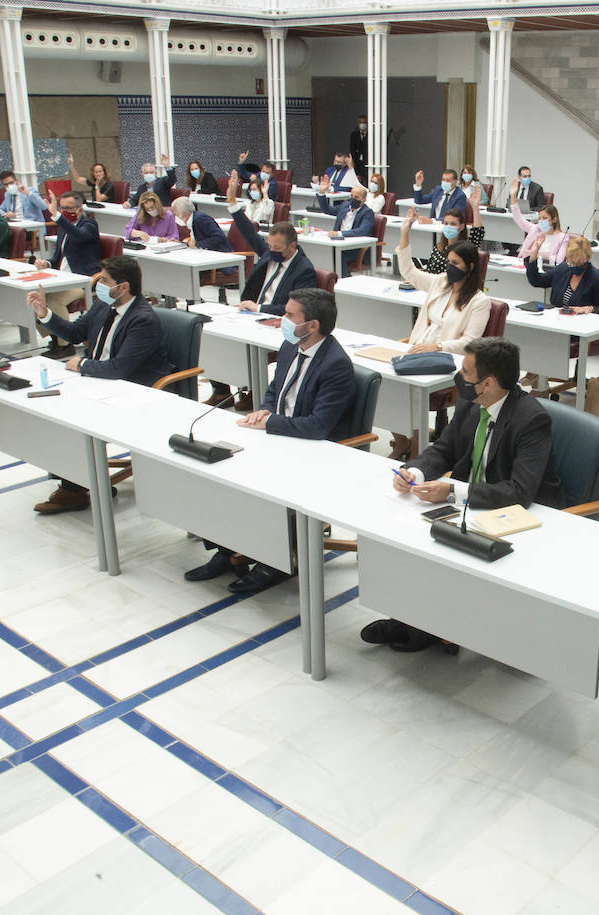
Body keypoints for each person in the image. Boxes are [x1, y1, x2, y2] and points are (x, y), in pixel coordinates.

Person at [364, 337, 563, 651]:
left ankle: (427, 627)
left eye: (466, 373)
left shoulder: (531, 419)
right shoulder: (471, 405)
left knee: (442, 542)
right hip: (472, 504)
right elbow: (443, 450)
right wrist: (413, 472)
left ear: (488, 383)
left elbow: (520, 492)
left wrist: (453, 491)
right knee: (403, 530)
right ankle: (409, 615)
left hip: (514, 514)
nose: (460, 377)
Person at [219, 288, 357, 594]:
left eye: (290, 315)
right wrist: (265, 410)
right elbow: (274, 389)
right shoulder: (289, 345)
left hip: (312, 449)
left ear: (313, 325)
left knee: (255, 476)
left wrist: (271, 423)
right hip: (282, 434)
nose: (283, 320)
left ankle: (278, 561)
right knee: (222, 465)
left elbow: (318, 427)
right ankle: (226, 549)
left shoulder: (335, 364)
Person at [27, 255, 174, 514]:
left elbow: (119, 369)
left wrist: (83, 366)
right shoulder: (102, 305)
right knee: (52, 409)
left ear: (124, 287)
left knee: (71, 415)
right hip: (99, 381)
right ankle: (75, 481)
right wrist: (44, 313)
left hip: (129, 390)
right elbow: (74, 333)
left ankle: (74, 489)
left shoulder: (142, 320)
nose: (99, 285)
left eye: (105, 281)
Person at [388, 206, 492, 459]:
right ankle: (401, 441)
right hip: (416, 349)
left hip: (446, 360)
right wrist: (404, 234)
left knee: (406, 387)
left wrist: (437, 347)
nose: (449, 267)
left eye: (455, 263)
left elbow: (470, 342)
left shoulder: (479, 301)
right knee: (385, 384)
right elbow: (409, 273)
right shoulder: (439, 283)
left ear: (469, 267)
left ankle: (416, 449)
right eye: (447, 262)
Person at [33, 190, 102, 358]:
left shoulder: (89, 225)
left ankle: (65, 345)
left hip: (83, 280)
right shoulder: (63, 228)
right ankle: (54, 337)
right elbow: (57, 257)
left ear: (80, 208)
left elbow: (78, 236)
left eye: (68, 208)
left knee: (54, 299)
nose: (65, 211)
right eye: (62, 207)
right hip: (61, 277)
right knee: (37, 298)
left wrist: (57, 216)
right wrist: (47, 263)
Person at [228, 210, 317, 316]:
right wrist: (233, 204)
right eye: (270, 246)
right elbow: (250, 234)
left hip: (274, 318)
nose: (272, 250)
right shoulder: (269, 253)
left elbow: (298, 309)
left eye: (277, 247)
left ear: (292, 246)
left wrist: (259, 308)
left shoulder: (304, 270)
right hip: (251, 312)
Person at [526, 235, 599, 313]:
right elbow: (536, 281)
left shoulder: (597, 278)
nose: (574, 266)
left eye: (579, 263)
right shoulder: (563, 269)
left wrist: (590, 309)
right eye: (571, 262)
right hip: (556, 319)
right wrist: (533, 256)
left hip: (581, 323)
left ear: (587, 259)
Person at [314, 177, 374, 276]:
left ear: (364, 200)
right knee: (322, 251)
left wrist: (339, 233)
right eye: (351, 196)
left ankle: (342, 281)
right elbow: (327, 209)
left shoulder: (367, 212)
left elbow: (361, 231)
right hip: (338, 242)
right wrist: (321, 193)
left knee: (339, 255)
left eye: (356, 197)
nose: (353, 199)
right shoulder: (345, 206)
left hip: (355, 248)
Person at [422, 207, 484, 275]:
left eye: (453, 224)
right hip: (435, 283)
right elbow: (429, 270)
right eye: (446, 223)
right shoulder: (439, 247)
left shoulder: (467, 248)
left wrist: (475, 207)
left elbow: (478, 231)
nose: (448, 226)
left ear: (462, 227)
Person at [511, 194, 568, 268]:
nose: (541, 221)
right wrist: (513, 196)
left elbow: (559, 260)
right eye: (539, 218)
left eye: (544, 218)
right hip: (527, 265)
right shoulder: (535, 229)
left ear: (554, 219)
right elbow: (519, 219)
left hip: (546, 269)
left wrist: (537, 254)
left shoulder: (562, 237)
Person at [350, 114, 369, 184]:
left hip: (368, 163)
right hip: (357, 163)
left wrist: (359, 150)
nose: (362, 124)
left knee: (368, 182)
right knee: (358, 182)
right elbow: (352, 149)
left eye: (364, 122)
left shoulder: (371, 134)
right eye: (360, 123)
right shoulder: (354, 135)